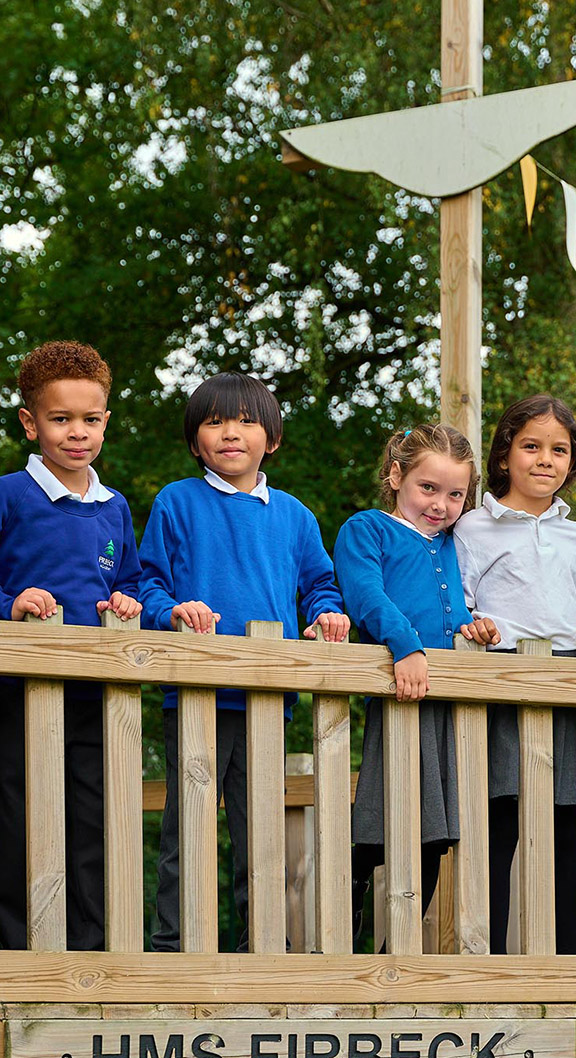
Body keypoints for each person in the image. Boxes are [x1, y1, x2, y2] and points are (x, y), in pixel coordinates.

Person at [139, 370, 349, 951]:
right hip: (195, 692)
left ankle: (263, 947)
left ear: (271, 439)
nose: (231, 432)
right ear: (195, 440)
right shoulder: (177, 502)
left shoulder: (295, 516)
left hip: (267, 697)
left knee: (259, 831)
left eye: (246, 422)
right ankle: (175, 947)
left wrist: (327, 616)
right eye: (215, 422)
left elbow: (321, 586)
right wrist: (172, 611)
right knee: (188, 827)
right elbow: (148, 584)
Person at [334, 423, 500, 947]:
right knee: (380, 819)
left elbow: (457, 610)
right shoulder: (368, 529)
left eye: (455, 495)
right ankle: (346, 931)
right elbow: (366, 595)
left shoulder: (453, 544)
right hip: (399, 693)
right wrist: (406, 646)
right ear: (395, 476)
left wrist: (475, 629)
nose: (441, 504)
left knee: (436, 831)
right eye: (428, 488)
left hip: (447, 703)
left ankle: (398, 949)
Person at [0, 340, 142, 950]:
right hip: (16, 689)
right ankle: (14, 950)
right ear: (31, 423)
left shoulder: (114, 508)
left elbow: (130, 579)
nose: (77, 432)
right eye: (60, 419)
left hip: (93, 691)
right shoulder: (10, 494)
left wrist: (129, 602)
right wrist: (10, 604)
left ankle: (90, 953)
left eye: (90, 419)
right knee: (17, 815)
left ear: (106, 422)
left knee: (93, 818)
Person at [454, 394, 576, 953]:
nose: (545, 459)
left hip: (567, 689)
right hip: (501, 684)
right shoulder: (473, 528)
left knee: (568, 829)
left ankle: (567, 965)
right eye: (531, 446)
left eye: (559, 450)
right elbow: (457, 602)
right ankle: (490, 962)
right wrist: (471, 626)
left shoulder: (572, 535)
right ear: (505, 455)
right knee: (497, 825)